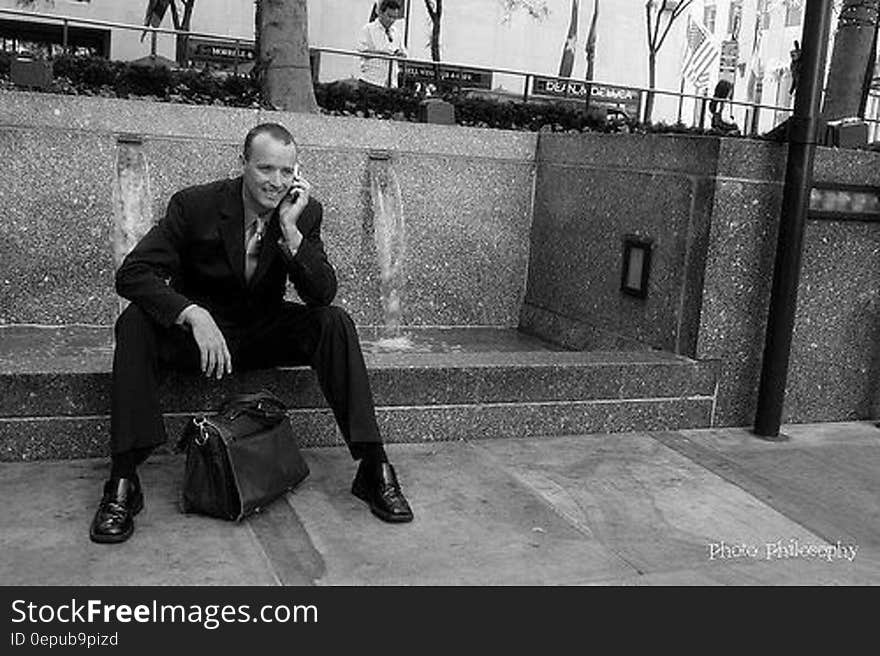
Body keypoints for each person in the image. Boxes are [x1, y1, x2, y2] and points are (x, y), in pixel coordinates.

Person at [90, 122, 414, 544]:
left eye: (286, 172)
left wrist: (292, 232)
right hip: (203, 340)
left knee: (334, 321)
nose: (275, 182)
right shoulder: (195, 205)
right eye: (265, 169)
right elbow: (132, 273)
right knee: (134, 321)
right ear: (242, 164)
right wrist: (191, 313)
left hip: (262, 331)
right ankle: (123, 480)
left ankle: (374, 466)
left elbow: (321, 294)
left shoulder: (303, 212)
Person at [358, 0, 406, 88]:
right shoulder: (368, 29)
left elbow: (403, 54)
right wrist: (382, 54)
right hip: (372, 80)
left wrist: (400, 54)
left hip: (391, 82)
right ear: (381, 13)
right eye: (389, 16)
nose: (392, 20)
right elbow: (363, 52)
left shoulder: (396, 32)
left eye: (395, 17)